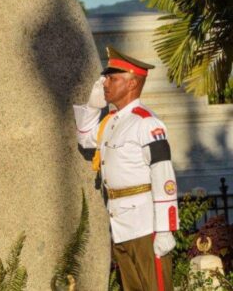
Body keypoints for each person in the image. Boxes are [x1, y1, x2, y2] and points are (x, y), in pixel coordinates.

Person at [74, 47, 179, 291]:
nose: (105, 84)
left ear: (132, 83)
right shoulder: (111, 122)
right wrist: (91, 107)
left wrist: (165, 228)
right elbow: (85, 138)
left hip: (146, 225)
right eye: (105, 78)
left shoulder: (147, 123)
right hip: (121, 224)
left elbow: (164, 176)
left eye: (112, 78)